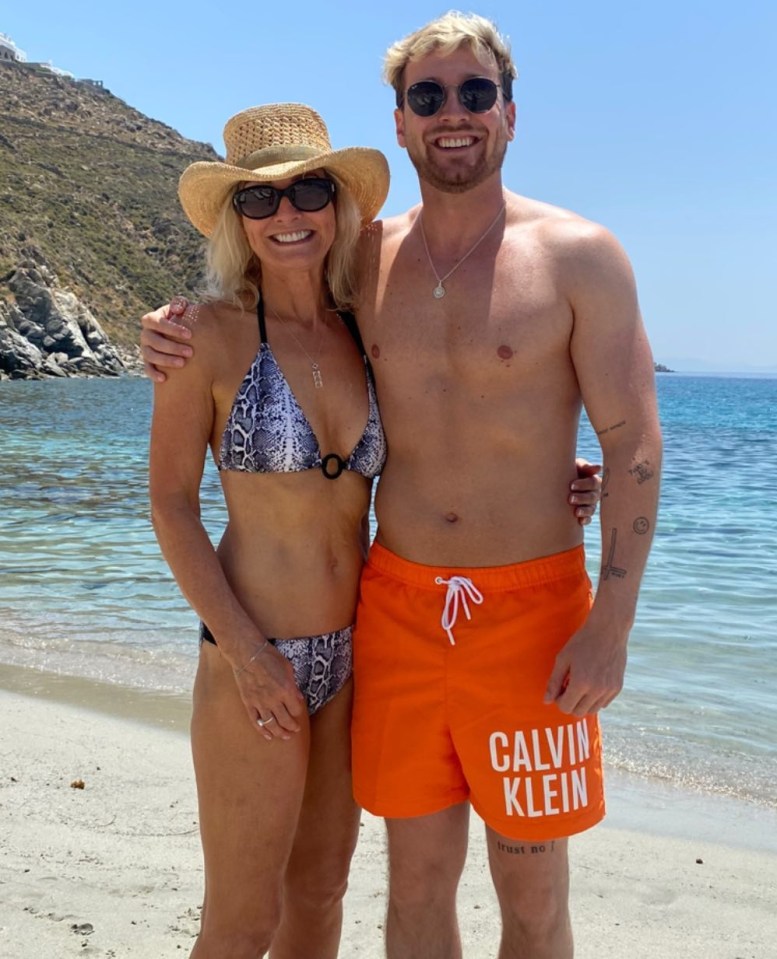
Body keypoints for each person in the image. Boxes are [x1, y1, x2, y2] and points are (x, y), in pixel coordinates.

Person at [142, 13, 656, 959]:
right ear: (400, 119)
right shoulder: (358, 267)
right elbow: (201, 439)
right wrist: (164, 329)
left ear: (509, 112)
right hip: (387, 616)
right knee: (397, 888)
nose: (451, 113)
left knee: (512, 892)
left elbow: (628, 443)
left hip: (516, 617)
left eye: (474, 93)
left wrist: (609, 621)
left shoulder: (571, 256)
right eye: (428, 96)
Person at [148, 103, 392, 959]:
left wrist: (563, 485)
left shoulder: (370, 331)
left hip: (356, 655)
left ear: (338, 206)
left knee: (320, 893)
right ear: (236, 221)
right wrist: (248, 652)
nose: (286, 216)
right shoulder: (202, 338)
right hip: (252, 652)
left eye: (308, 191)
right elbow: (171, 505)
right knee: (242, 920)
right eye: (259, 201)